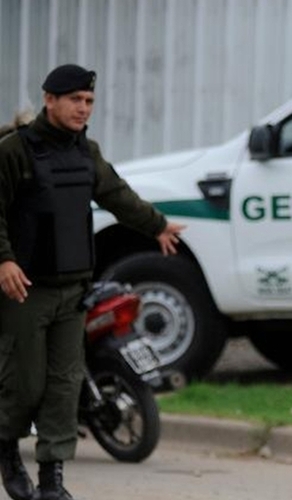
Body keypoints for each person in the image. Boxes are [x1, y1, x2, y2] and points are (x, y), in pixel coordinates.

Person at [0, 64, 186, 500]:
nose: (84, 109)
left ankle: (51, 480)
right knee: (24, 384)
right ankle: (7, 453)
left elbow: (117, 195)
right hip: (25, 288)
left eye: (90, 102)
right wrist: (4, 260)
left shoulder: (87, 152)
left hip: (73, 289)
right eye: (76, 101)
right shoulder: (14, 151)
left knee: (65, 387)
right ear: (50, 100)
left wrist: (156, 225)